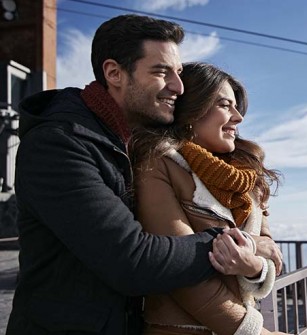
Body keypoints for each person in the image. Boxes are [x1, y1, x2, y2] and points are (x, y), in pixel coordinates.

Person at [7, 15, 256, 335]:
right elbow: (132, 262)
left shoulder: (132, 141)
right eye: (161, 71)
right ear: (114, 73)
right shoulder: (58, 145)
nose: (178, 87)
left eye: (178, 73)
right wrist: (238, 243)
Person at [130, 62, 286, 335]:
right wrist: (255, 332)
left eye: (237, 107)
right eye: (225, 105)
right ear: (193, 110)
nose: (238, 118)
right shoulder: (159, 165)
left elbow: (272, 254)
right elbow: (178, 270)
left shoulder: (247, 176)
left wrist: (253, 265)